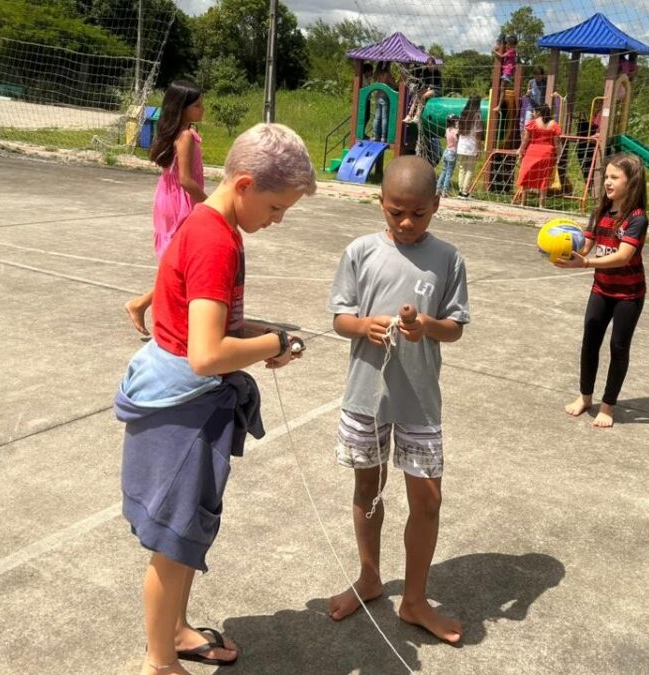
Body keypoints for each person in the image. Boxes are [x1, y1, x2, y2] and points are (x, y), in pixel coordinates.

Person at [116, 123, 318, 675]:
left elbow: (209, 321)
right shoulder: (215, 241)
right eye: (276, 208)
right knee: (175, 538)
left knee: (186, 533)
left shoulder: (215, 226)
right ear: (246, 184)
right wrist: (270, 344)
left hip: (189, 401)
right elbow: (206, 353)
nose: (276, 222)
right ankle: (160, 663)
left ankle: (176, 631)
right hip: (183, 408)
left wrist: (265, 334)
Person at [324, 156, 470, 644]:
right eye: (395, 212)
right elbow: (340, 316)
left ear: (436, 206)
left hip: (420, 402)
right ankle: (369, 577)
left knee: (427, 499)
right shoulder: (360, 252)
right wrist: (364, 325)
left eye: (418, 214)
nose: (406, 223)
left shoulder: (448, 258)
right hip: (367, 397)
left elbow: (454, 328)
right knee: (368, 490)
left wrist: (425, 326)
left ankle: (414, 599)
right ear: (380, 203)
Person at [553, 153, 649, 428]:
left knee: (618, 347)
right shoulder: (600, 212)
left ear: (631, 183)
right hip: (602, 290)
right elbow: (585, 246)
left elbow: (622, 257)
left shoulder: (637, 219)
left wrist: (585, 263)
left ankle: (608, 405)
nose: (607, 182)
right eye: (606, 176)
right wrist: (563, 249)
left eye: (614, 177)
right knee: (589, 342)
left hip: (628, 296)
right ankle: (585, 397)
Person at [125, 80, 207, 335]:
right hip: (180, 203)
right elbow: (185, 179)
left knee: (178, 263)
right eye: (196, 105)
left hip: (168, 199)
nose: (202, 109)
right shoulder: (185, 137)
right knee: (179, 264)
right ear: (181, 108)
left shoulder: (173, 132)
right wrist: (209, 203)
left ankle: (144, 304)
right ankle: (141, 304)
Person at [514, 104, 562, 207]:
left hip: (532, 152)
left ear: (539, 112)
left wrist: (521, 150)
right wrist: (558, 155)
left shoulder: (532, 123)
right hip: (547, 154)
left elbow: (525, 140)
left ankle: (523, 203)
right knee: (544, 179)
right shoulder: (554, 125)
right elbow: (557, 142)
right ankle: (541, 205)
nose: (533, 113)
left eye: (535, 112)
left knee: (527, 176)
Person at [455, 96, 483, 199]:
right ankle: (465, 192)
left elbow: (458, 131)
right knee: (470, 169)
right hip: (471, 145)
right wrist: (479, 148)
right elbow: (478, 133)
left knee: (462, 168)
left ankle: (460, 190)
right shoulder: (477, 115)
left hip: (461, 145)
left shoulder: (463, 113)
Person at [435, 115, 459, 197]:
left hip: (446, 151)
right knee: (449, 172)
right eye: (457, 120)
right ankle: (445, 191)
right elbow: (456, 140)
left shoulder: (447, 130)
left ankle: (438, 189)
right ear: (454, 121)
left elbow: (446, 137)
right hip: (452, 152)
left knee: (444, 171)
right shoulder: (455, 131)